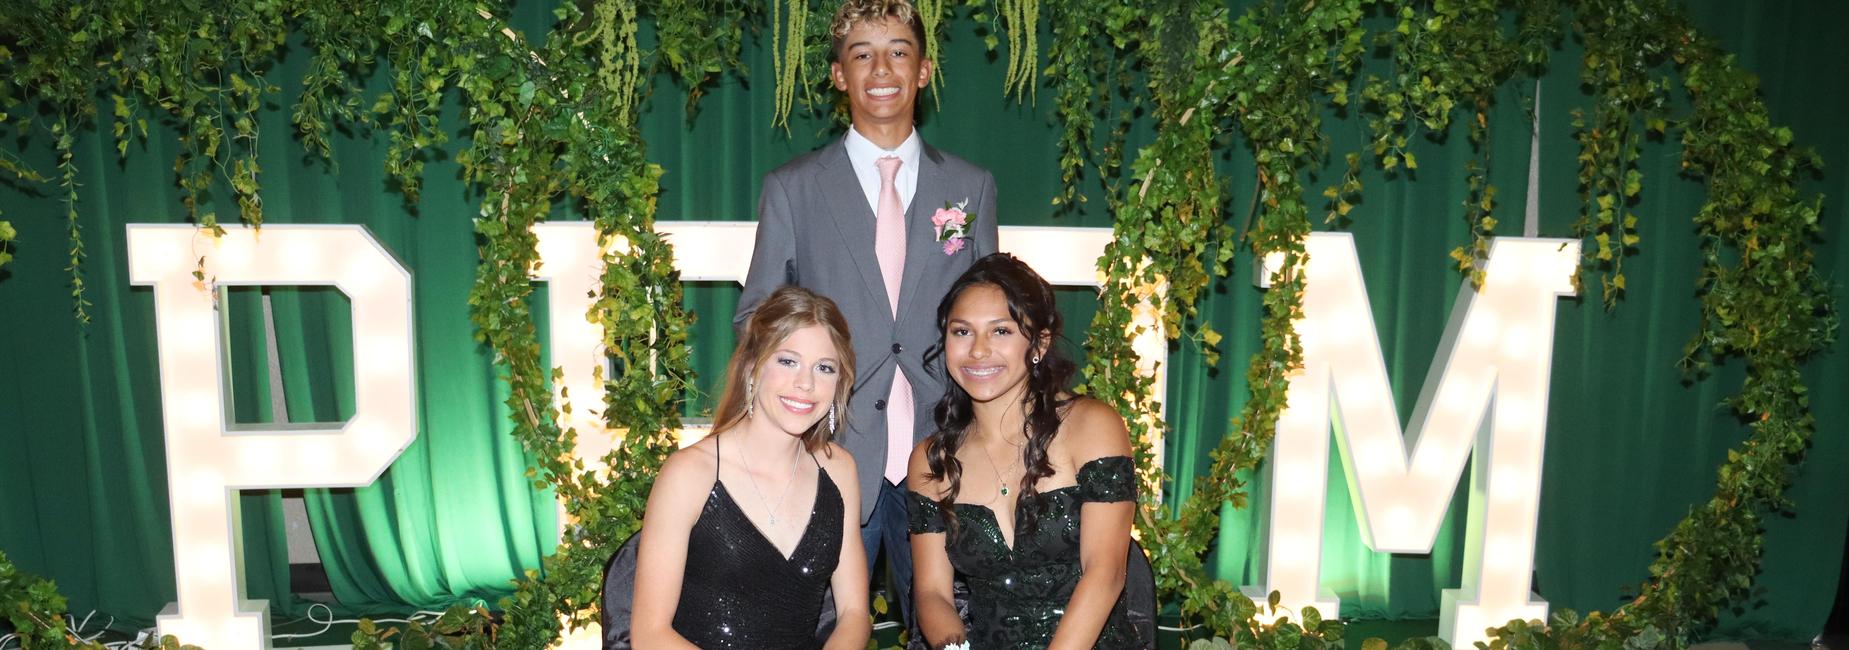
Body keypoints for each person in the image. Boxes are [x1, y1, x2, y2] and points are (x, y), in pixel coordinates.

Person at [735, 0, 1000, 627]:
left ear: (925, 70)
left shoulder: (972, 186)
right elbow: (756, 318)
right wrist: (799, 399)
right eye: (862, 54)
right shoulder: (792, 188)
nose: (882, 68)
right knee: (824, 625)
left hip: (947, 453)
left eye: (898, 52)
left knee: (948, 620)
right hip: (830, 449)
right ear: (838, 75)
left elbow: (995, 314)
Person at [908, 253, 1141, 649]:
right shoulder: (933, 461)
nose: (978, 351)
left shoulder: (1092, 426)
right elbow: (932, 593)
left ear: (1040, 343)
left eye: (1001, 332)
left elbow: (1105, 573)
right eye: (961, 332)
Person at [634, 286, 872, 649]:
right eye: (787, 361)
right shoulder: (689, 474)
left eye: (824, 368)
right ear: (752, 367)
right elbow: (650, 634)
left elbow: (854, 613)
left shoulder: (840, 471)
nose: (806, 384)